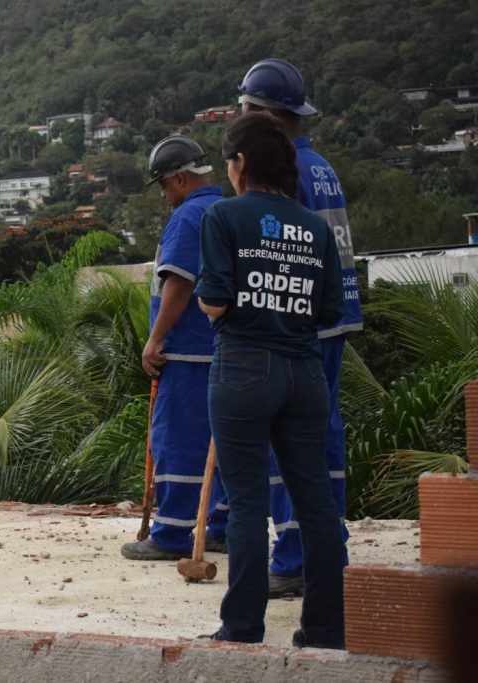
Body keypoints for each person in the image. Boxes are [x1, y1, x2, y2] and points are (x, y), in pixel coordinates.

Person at [194, 112, 346, 647]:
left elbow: (213, 298)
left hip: (241, 368)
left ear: (239, 163)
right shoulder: (316, 226)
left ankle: (242, 629)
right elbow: (329, 311)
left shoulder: (223, 215)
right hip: (305, 374)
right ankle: (326, 629)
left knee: (247, 504)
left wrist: (239, 302)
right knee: (316, 505)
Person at [238, 57, 362, 598]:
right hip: (334, 318)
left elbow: (280, 254)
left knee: (287, 443)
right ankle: (327, 548)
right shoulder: (323, 166)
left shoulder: (283, 173)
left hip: (297, 326)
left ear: (265, 114)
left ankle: (294, 557)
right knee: (323, 436)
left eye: (244, 108)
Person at [120, 135, 229, 561]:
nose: (164, 196)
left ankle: (171, 535)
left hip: (186, 352)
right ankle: (218, 527)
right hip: (220, 351)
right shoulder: (224, 210)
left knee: (179, 442)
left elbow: (179, 283)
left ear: (180, 179)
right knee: (218, 445)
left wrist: (156, 338)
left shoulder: (188, 216)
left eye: (164, 186)